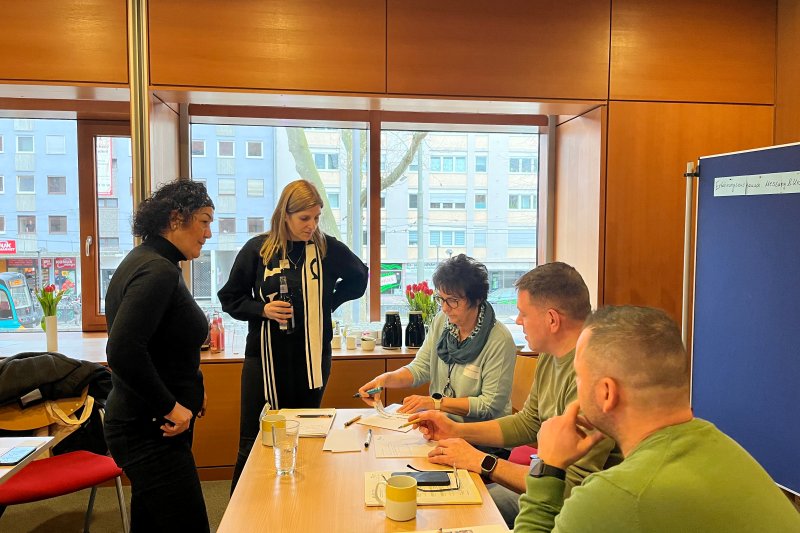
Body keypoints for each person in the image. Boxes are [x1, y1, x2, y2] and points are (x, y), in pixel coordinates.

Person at [515, 306, 800, 532]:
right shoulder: (727, 450)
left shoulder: (619, 495)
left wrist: (547, 468)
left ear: (606, 393)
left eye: (579, 375)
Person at [411, 262, 620, 528]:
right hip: (545, 484)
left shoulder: (593, 375)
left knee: (459, 512)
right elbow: (528, 422)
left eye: (523, 313)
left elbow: (572, 487)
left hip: (577, 508)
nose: (518, 321)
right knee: (449, 505)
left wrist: (482, 461)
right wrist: (455, 430)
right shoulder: (551, 355)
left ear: (552, 319)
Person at [218, 179, 368, 491]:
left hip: (312, 360)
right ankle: (243, 509)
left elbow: (360, 276)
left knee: (307, 433)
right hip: (264, 360)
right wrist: (262, 309)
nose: (312, 225)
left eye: (317, 217)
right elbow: (230, 298)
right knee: (255, 436)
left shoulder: (326, 249)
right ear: (285, 215)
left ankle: (301, 503)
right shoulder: (258, 250)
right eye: (304, 218)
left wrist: (328, 302)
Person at [104, 180, 214, 532]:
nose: (208, 234)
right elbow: (123, 350)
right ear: (175, 218)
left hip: (150, 425)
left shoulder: (150, 260)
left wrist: (194, 384)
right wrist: (171, 405)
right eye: (204, 221)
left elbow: (163, 342)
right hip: (149, 430)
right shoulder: (157, 270)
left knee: (151, 524)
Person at [357, 254, 516, 427]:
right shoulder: (442, 321)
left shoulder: (499, 340)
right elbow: (420, 368)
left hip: (480, 433)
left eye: (453, 301)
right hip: (442, 425)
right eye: (441, 299)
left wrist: (436, 403)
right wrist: (384, 380)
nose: (445, 308)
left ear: (477, 299)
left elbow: (489, 405)